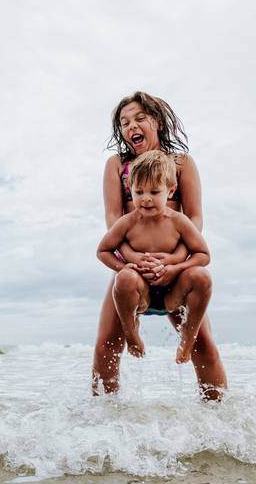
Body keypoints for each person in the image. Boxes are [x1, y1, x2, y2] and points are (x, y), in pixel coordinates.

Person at [92, 91, 228, 400]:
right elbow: (114, 220)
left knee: (201, 342)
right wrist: (131, 259)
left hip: (177, 271)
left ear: (157, 121)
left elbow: (193, 219)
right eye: (124, 122)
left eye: (140, 118)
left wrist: (174, 262)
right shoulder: (117, 164)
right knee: (107, 344)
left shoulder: (181, 163)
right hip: (131, 268)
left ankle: (220, 416)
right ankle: (101, 416)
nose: (131, 127)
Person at [96, 150, 211, 364]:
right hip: (141, 295)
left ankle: (188, 336)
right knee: (125, 278)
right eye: (139, 192)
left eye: (154, 192)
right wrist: (125, 266)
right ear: (131, 191)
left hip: (173, 294)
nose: (146, 199)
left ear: (170, 191)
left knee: (202, 276)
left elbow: (203, 255)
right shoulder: (127, 222)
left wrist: (174, 268)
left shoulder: (179, 222)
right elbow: (102, 251)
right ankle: (132, 335)